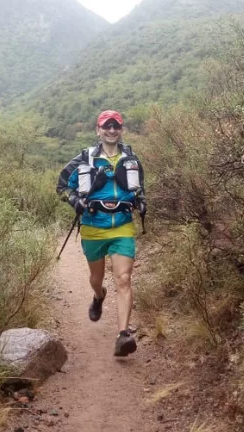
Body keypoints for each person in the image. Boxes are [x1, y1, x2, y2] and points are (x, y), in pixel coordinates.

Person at [56, 110, 147, 357]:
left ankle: (123, 335)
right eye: (107, 126)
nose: (111, 130)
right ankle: (99, 295)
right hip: (93, 227)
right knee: (96, 279)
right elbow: (62, 186)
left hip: (122, 226)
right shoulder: (84, 159)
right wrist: (74, 200)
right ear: (98, 130)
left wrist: (141, 201)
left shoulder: (131, 159)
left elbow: (139, 187)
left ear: (121, 130)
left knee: (124, 278)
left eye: (116, 126)